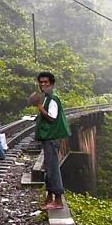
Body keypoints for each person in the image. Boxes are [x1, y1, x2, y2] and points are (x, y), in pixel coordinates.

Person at [29, 71, 71, 210]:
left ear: (51, 84)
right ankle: (50, 196)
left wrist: (38, 105)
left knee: (53, 169)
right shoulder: (47, 97)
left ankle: (58, 201)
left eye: (46, 82)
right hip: (48, 139)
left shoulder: (52, 98)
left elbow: (52, 118)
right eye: (41, 82)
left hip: (52, 139)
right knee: (48, 168)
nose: (43, 85)